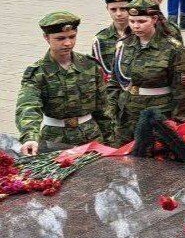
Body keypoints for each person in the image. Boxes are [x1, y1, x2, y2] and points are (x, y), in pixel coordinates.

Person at [16, 12, 114, 155]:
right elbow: (28, 106)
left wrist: (110, 142)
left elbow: (103, 109)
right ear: (46, 38)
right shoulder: (38, 72)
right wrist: (30, 137)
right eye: (60, 38)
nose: (68, 43)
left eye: (72, 37)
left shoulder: (90, 65)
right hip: (54, 140)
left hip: (91, 137)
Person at [108, 0, 185, 146]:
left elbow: (181, 91)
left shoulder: (173, 48)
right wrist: (111, 112)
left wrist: (178, 122)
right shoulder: (123, 45)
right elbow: (115, 83)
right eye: (132, 21)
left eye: (141, 21)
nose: (136, 26)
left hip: (158, 114)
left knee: (155, 154)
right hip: (127, 115)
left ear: (154, 19)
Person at [92, 0, 132, 81]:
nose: (118, 14)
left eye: (123, 9)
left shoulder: (140, 35)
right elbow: (97, 72)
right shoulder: (100, 39)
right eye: (113, 9)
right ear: (107, 9)